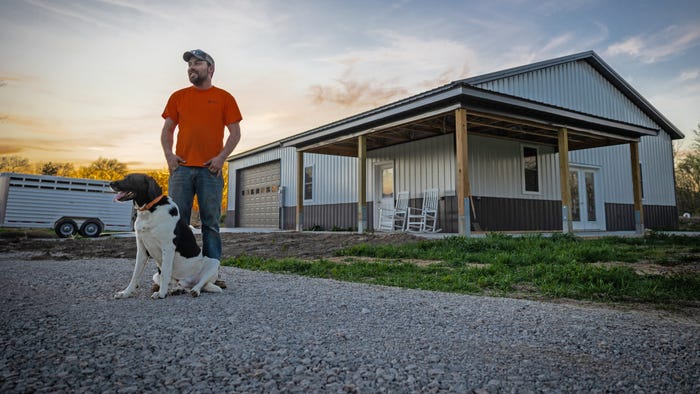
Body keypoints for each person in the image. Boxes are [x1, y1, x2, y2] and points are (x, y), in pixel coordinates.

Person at [160, 49, 242, 275]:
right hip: (182, 170)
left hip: (210, 171)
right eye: (189, 65)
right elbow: (167, 130)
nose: (191, 68)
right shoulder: (178, 97)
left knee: (211, 225)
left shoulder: (225, 98)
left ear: (211, 68)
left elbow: (235, 133)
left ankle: (211, 274)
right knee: (175, 224)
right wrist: (169, 155)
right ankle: (173, 274)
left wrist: (221, 157)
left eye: (197, 63)